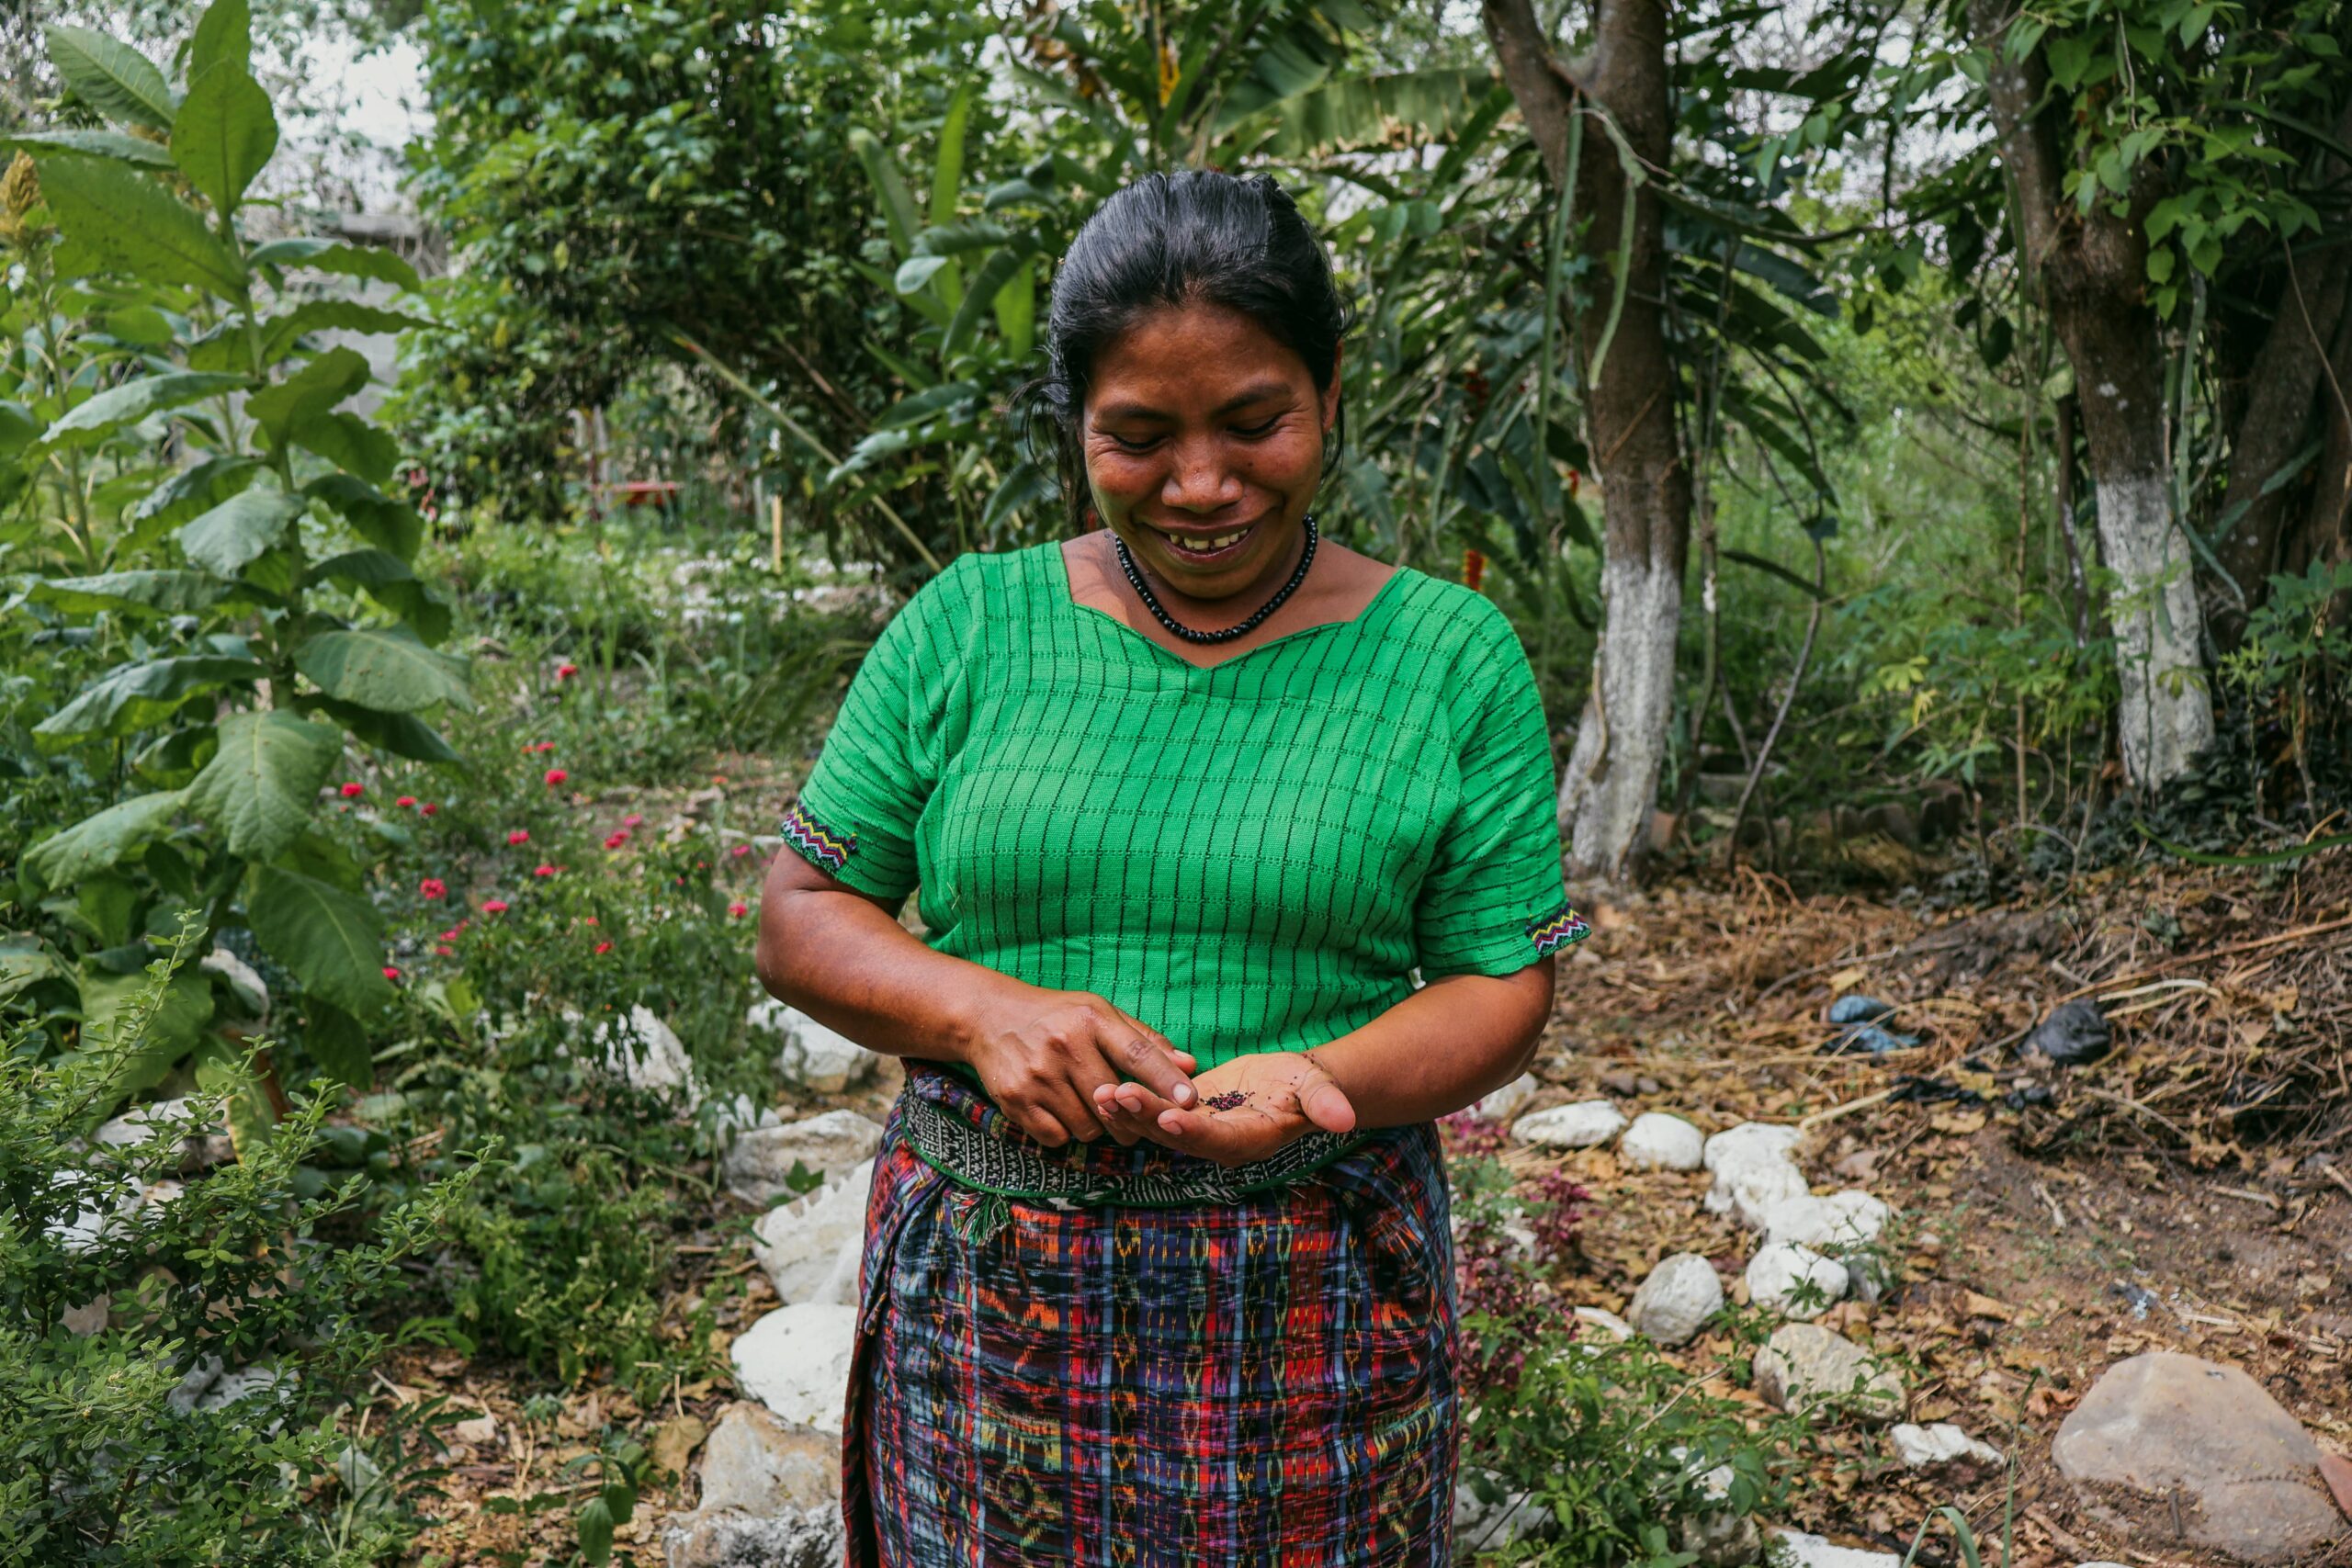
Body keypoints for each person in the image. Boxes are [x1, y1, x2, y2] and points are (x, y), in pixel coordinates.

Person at [755, 167, 1590, 1568]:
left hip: (1318, 1308)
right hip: (985, 1324)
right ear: (1075, 426)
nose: (1203, 484)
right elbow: (800, 913)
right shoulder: (969, 624)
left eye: (1256, 422)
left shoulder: (1449, 657)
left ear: (1329, 388)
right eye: (1138, 435)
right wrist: (983, 1013)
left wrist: (1327, 1084)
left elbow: (1501, 981)